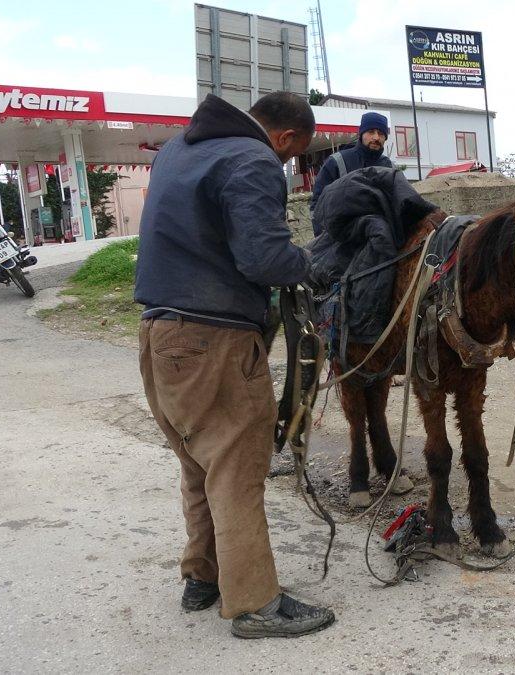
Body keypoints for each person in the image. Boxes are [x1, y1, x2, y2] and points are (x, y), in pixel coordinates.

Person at [134, 91, 336, 638]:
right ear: (287, 138)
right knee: (237, 469)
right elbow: (264, 257)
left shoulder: (177, 149)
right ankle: (253, 604)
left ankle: (203, 577)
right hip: (212, 339)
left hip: (159, 334)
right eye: (293, 157)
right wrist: (310, 268)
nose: (287, 165)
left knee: (201, 462)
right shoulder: (253, 160)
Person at [309, 111, 394, 227]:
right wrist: (326, 239)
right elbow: (318, 205)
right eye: (371, 132)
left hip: (382, 237)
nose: (376, 137)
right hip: (343, 238)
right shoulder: (337, 162)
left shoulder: (390, 167)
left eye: (381, 133)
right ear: (361, 134)